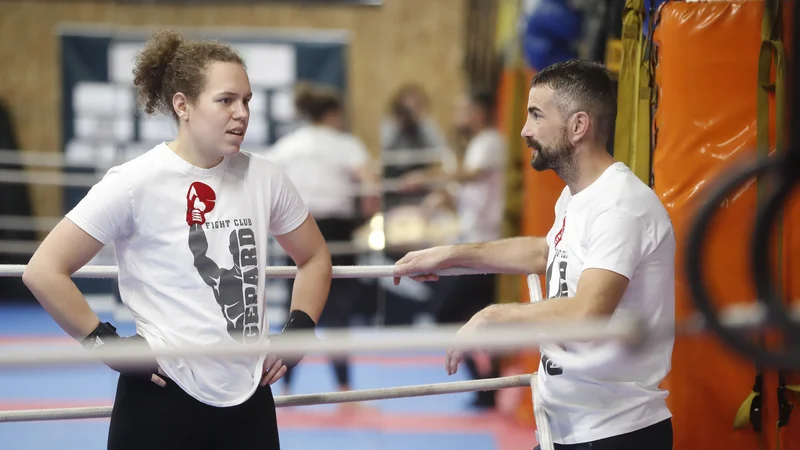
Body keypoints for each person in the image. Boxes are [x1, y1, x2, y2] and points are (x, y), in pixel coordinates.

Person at [22, 30, 332, 450]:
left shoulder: (266, 177)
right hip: (161, 397)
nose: (241, 113)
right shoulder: (134, 183)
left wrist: (300, 326)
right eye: (226, 100)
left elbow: (313, 256)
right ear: (182, 105)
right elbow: (43, 270)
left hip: (249, 395)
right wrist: (107, 343)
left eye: (247, 100)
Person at [393, 60, 675, 449]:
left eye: (536, 115)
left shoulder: (620, 205)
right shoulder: (578, 197)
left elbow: (588, 311)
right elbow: (545, 250)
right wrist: (450, 255)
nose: (524, 130)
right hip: (565, 424)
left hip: (612, 430)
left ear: (578, 127)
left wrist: (493, 315)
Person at [266, 82, 379, 406]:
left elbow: (265, 183)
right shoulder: (346, 144)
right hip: (337, 232)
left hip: (296, 231)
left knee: (296, 310)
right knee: (339, 315)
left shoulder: (288, 146)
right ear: (333, 113)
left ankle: (283, 389)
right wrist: (367, 219)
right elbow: (371, 185)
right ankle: (344, 389)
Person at [399, 87, 508, 409]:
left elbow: (470, 176)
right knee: (475, 315)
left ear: (478, 112)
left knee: (450, 313)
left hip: (486, 247)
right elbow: (468, 190)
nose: (458, 115)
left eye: (463, 108)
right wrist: (439, 199)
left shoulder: (491, 142)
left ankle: (489, 383)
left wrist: (427, 176)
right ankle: (487, 386)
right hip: (474, 242)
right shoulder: (476, 146)